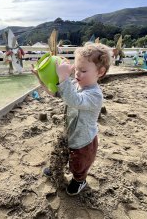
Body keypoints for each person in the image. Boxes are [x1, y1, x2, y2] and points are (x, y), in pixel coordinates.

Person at [32, 42, 111, 196]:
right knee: (61, 153)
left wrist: (63, 77)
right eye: (76, 68)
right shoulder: (75, 84)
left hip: (84, 140)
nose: (77, 74)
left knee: (78, 164)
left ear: (100, 72)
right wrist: (41, 79)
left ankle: (79, 180)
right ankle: (55, 169)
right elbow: (58, 93)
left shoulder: (95, 95)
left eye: (83, 70)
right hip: (70, 131)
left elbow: (74, 100)